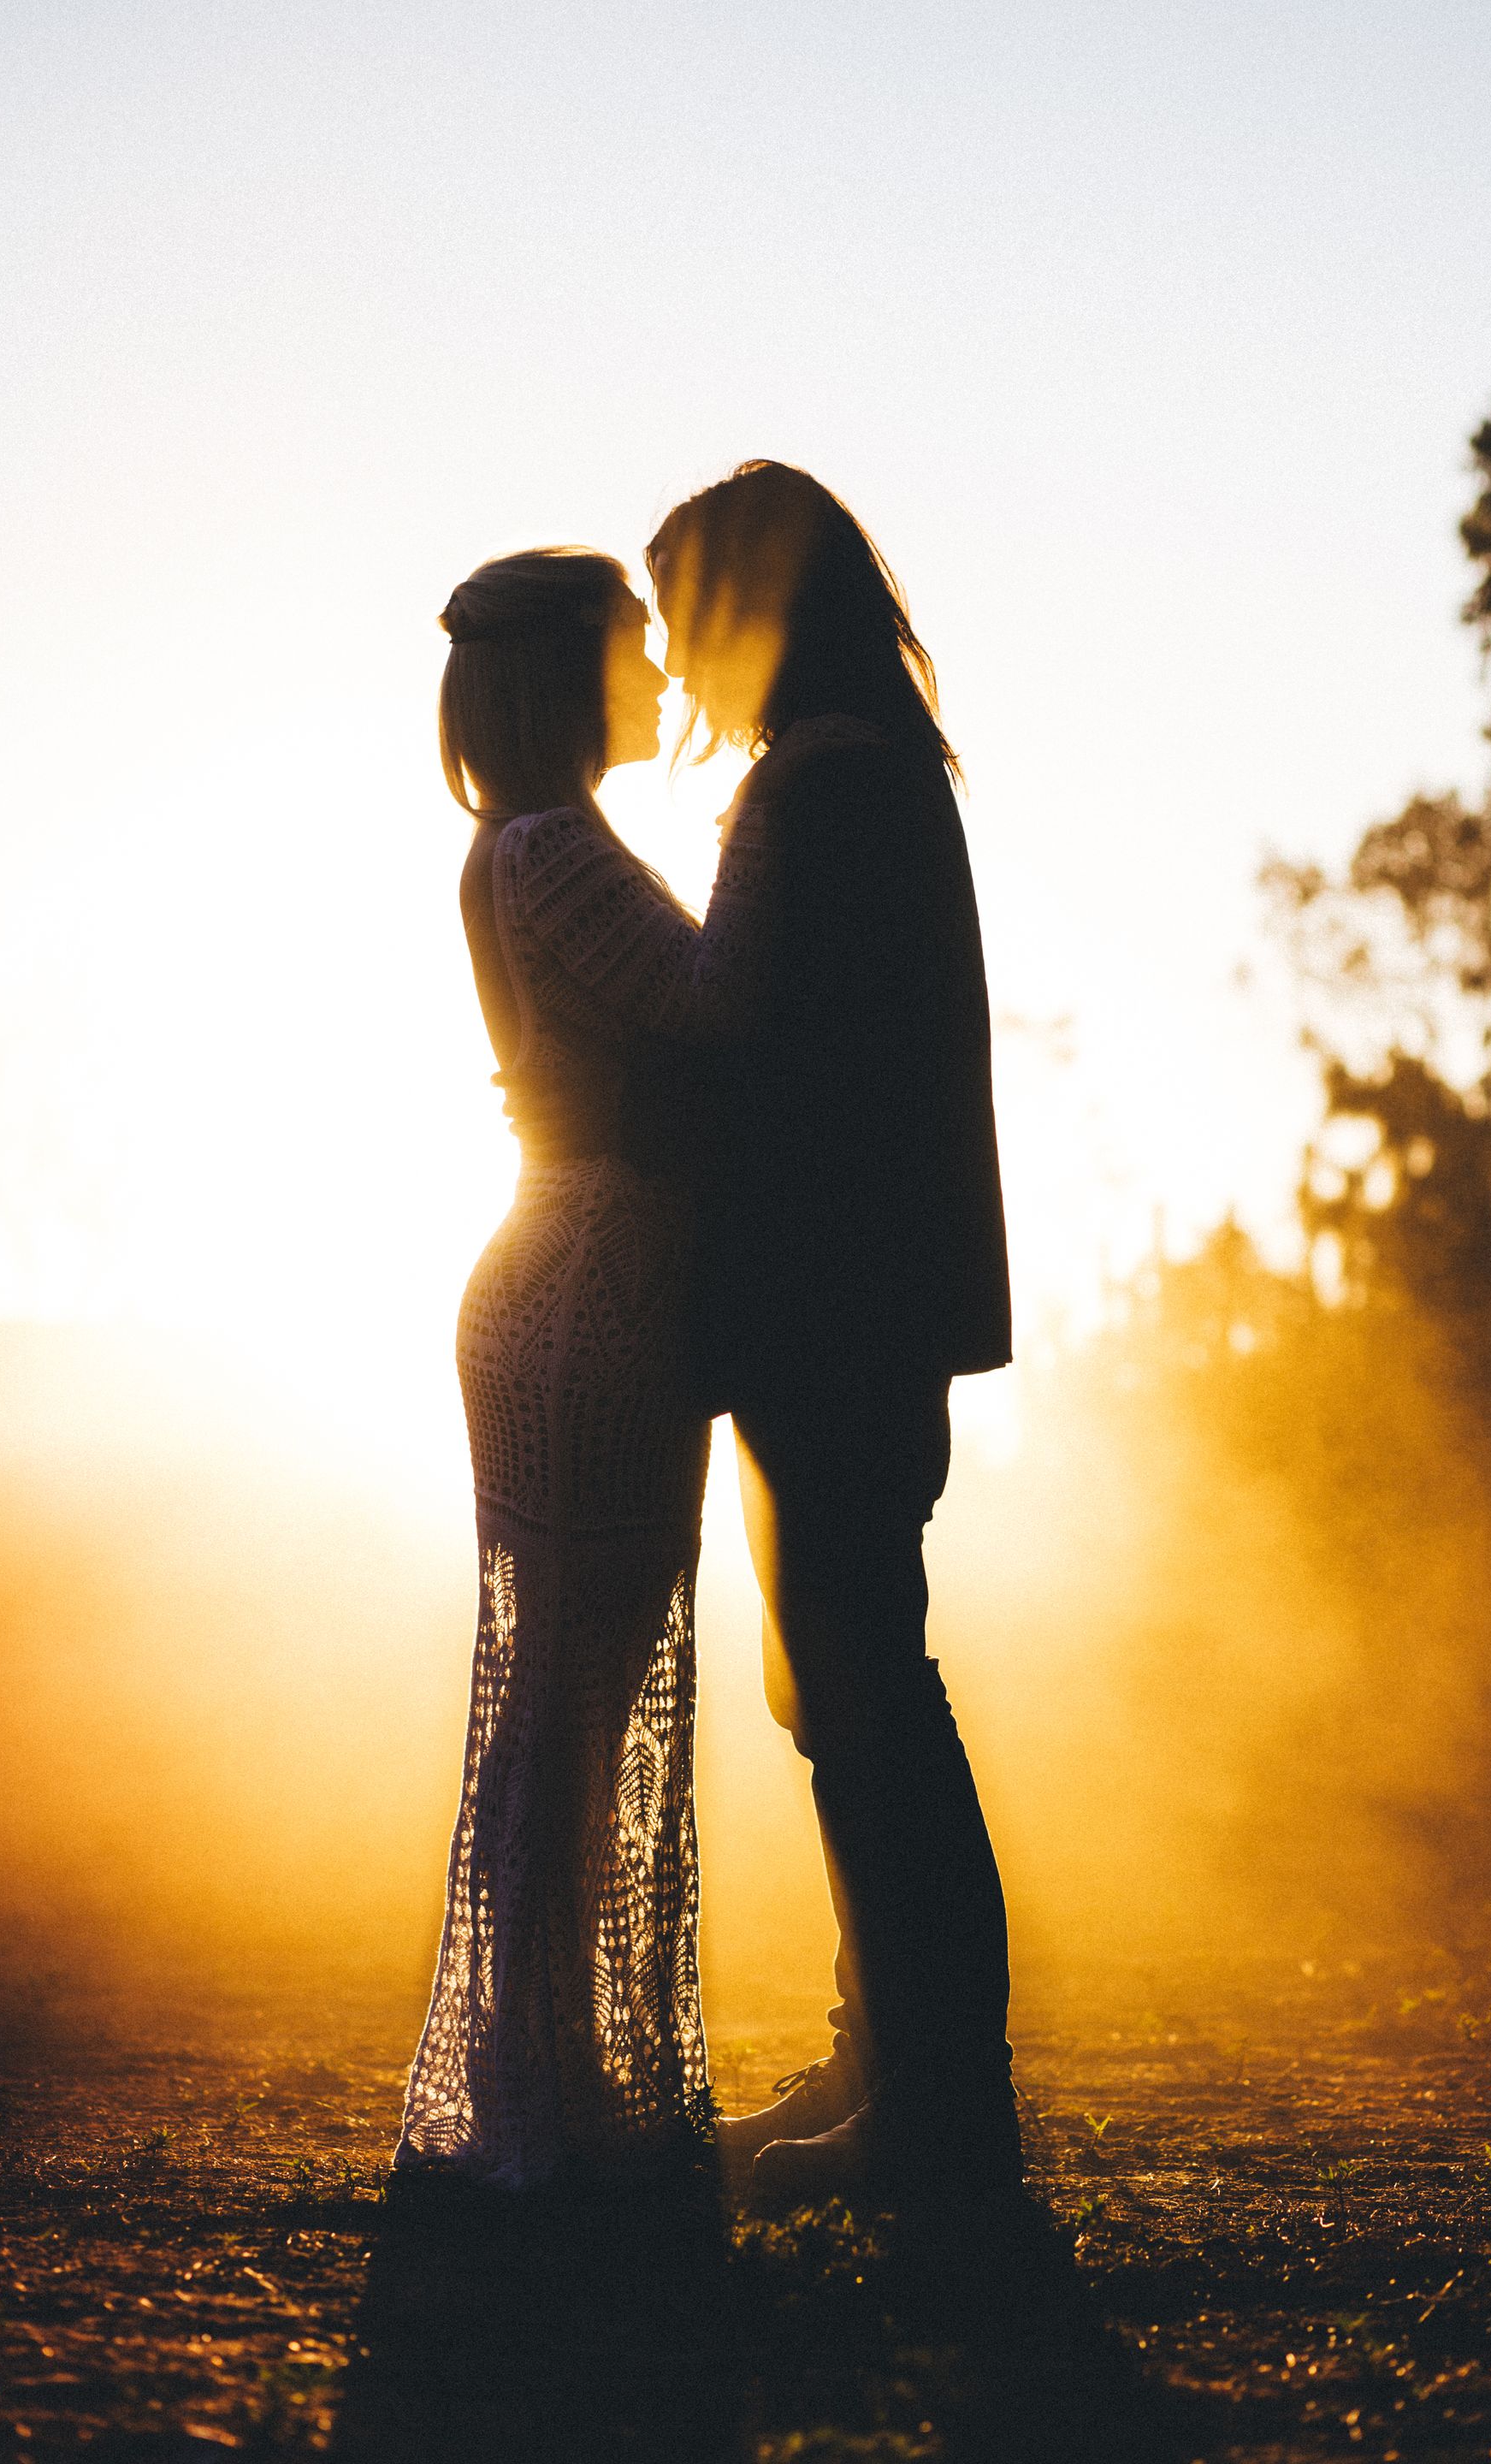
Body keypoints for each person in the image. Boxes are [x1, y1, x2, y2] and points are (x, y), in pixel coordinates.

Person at [645, 462, 1020, 2203]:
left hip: (830, 1316)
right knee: (847, 1686)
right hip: (867, 1311)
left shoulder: (820, 790)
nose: (671, 664)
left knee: (871, 1692)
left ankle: (938, 2114)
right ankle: (894, 2069)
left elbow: (754, 1058)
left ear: (754, 607)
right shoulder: (868, 777)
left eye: (685, 618)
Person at [393, 548, 772, 2189]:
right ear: (566, 676)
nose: (660, 665)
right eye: (632, 641)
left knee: (574, 1692)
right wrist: (767, 833)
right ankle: (540, 2088)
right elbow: (720, 1004)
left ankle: (548, 2071)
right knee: (570, 1696)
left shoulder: (534, 846)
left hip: (580, 1262)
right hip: (592, 1275)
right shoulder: (552, 854)